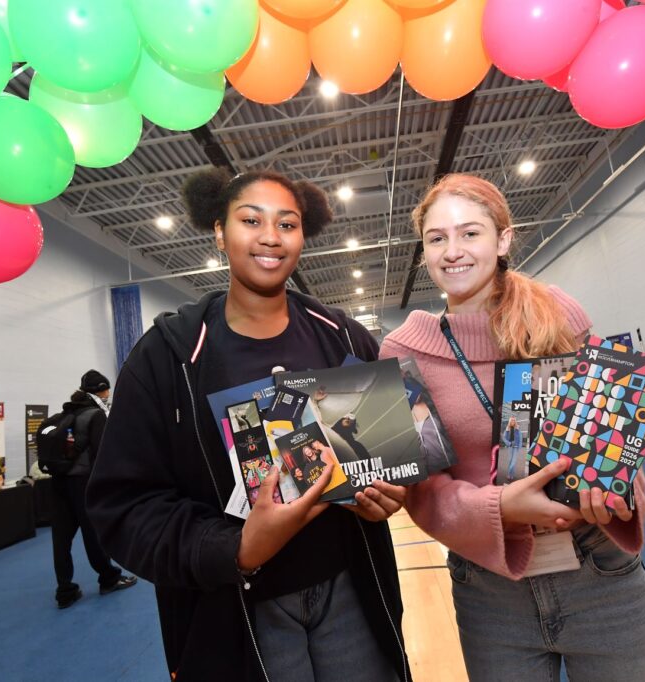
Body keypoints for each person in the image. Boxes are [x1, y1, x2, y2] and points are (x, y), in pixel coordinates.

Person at [86, 167, 412, 682]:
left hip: (351, 589)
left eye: (288, 224)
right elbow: (123, 509)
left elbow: (386, 451)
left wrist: (386, 496)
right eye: (250, 219)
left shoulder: (343, 339)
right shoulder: (166, 359)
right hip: (234, 612)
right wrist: (235, 548)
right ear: (219, 229)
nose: (270, 237)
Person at [380, 174, 645, 681]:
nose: (453, 251)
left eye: (470, 233)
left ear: (503, 238)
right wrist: (498, 507)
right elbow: (419, 488)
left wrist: (615, 488)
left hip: (597, 569)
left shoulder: (558, 314)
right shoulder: (403, 351)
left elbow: (611, 423)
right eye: (437, 238)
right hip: (489, 588)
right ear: (423, 251)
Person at [49, 370, 136, 609]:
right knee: (93, 533)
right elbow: (102, 454)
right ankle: (108, 578)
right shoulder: (96, 416)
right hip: (83, 482)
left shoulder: (66, 413)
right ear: (101, 391)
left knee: (61, 538)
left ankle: (64, 590)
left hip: (58, 482)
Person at [501, 415, 523, 483]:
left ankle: (509, 474)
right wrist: (508, 443)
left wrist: (519, 446)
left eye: (514, 420)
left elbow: (520, 438)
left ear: (515, 421)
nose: (513, 421)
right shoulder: (507, 429)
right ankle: (511, 475)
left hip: (516, 447)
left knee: (513, 462)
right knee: (510, 461)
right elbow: (504, 438)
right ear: (510, 421)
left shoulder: (517, 428)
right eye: (512, 420)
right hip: (510, 446)